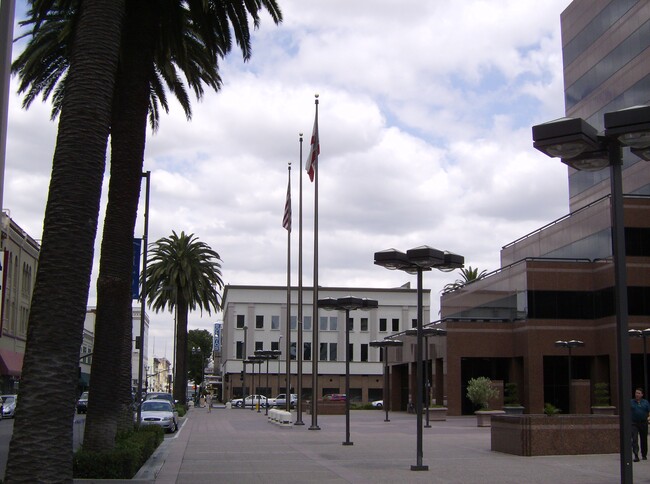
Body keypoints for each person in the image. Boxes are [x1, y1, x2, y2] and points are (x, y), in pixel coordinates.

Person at [631, 387, 650, 462]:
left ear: (642, 395)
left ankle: (644, 454)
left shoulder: (645, 402)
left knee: (643, 439)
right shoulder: (631, 402)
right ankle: (636, 455)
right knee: (635, 439)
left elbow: (649, 411)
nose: (637, 394)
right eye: (636, 393)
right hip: (634, 423)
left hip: (643, 422)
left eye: (639, 393)